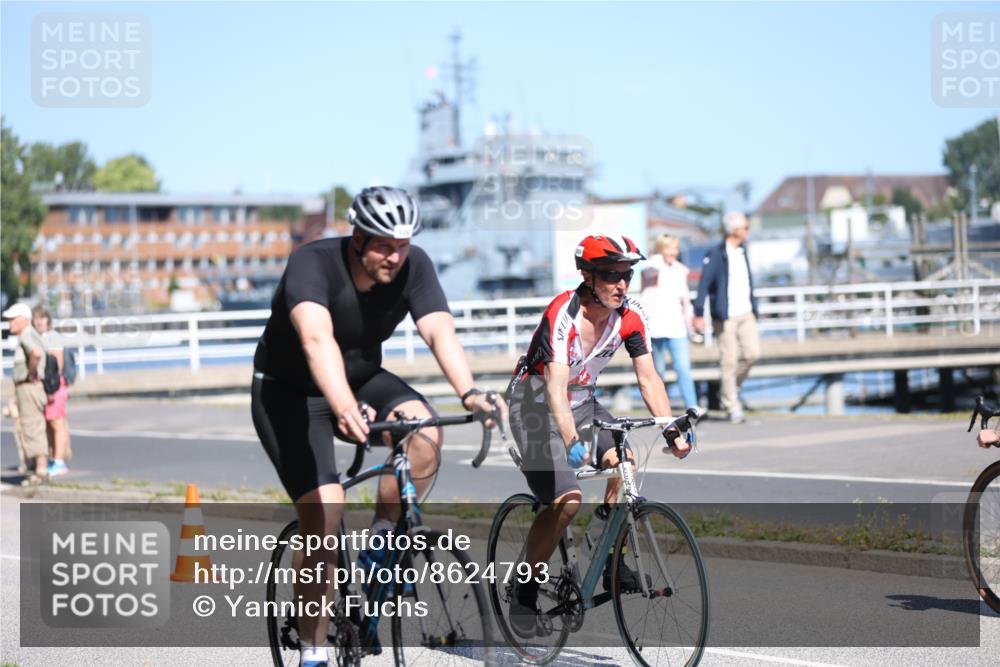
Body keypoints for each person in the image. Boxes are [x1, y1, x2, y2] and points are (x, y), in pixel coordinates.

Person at [251, 186, 506, 667]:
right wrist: (344, 406)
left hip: (363, 378)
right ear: (357, 237)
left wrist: (470, 392)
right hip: (289, 392)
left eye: (403, 244)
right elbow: (315, 337)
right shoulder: (313, 263)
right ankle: (312, 650)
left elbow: (437, 329)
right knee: (325, 517)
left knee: (426, 434)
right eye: (384, 245)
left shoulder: (414, 266)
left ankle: (381, 542)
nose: (395, 255)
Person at [505, 233, 689, 638]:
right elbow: (554, 390)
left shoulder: (631, 314)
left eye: (627, 274)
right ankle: (524, 587)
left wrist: (670, 427)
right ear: (587, 276)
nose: (621, 283)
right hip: (535, 404)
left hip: (584, 401)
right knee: (566, 501)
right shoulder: (563, 314)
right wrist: (571, 441)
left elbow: (648, 378)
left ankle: (608, 558)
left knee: (624, 466)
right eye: (610, 275)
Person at [692, 211, 761, 424]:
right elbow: (704, 285)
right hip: (726, 315)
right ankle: (732, 405)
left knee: (752, 354)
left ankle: (730, 389)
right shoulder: (716, 253)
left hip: (746, 312)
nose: (748, 231)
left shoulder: (744, 251)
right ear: (734, 230)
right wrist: (698, 313)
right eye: (745, 228)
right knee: (728, 360)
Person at [640, 234, 698, 409]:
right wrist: (657, 257)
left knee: (683, 368)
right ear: (660, 249)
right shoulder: (652, 268)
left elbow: (685, 300)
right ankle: (660, 407)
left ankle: (692, 406)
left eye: (675, 248)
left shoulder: (681, 271)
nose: (673, 252)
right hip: (655, 326)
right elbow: (648, 270)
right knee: (658, 372)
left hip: (676, 326)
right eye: (669, 248)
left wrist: (691, 323)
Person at [3, 303, 49, 486]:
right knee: (32, 426)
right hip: (27, 387)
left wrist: (31, 373)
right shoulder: (28, 335)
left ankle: (40, 471)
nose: (9, 323)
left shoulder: (27, 335)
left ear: (24, 320)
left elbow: (36, 354)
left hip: (29, 387)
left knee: (32, 427)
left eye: (13, 319)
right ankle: (38, 469)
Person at [32, 306, 71, 476]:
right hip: (44, 385)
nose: (39, 321)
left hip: (54, 385)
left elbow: (57, 366)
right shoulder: (36, 338)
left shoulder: (53, 337)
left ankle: (59, 462)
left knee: (57, 422)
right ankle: (52, 458)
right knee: (48, 424)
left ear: (48, 320)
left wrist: (51, 388)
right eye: (36, 318)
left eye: (42, 318)